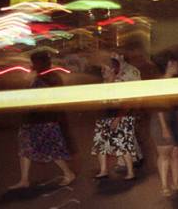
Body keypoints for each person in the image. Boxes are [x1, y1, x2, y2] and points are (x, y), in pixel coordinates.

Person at [8, 52, 76, 189]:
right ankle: (24, 179)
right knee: (25, 147)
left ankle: (68, 173)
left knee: (51, 148)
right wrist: (30, 81)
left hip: (46, 120)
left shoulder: (51, 77)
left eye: (34, 62)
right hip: (32, 120)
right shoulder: (38, 76)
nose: (32, 65)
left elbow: (49, 99)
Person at [91, 58, 139, 180]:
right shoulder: (101, 86)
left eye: (105, 68)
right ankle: (103, 170)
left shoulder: (120, 84)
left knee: (122, 144)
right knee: (101, 143)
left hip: (120, 117)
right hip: (104, 117)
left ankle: (130, 172)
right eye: (102, 68)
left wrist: (118, 119)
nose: (102, 71)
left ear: (113, 70)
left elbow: (127, 104)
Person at [150, 58, 178, 195]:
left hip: (177, 118)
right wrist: (164, 127)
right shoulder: (159, 83)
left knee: (177, 153)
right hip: (163, 119)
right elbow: (158, 107)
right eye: (176, 64)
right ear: (169, 65)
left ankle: (176, 183)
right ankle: (164, 185)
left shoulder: (176, 82)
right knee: (165, 154)